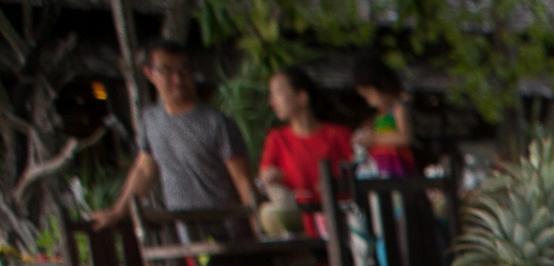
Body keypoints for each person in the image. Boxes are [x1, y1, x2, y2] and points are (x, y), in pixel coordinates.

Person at [92, 41, 256, 234]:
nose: (178, 79)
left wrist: (258, 228)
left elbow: (242, 180)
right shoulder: (150, 120)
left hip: (227, 231)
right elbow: (144, 169)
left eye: (184, 70)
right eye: (167, 71)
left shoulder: (218, 123)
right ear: (150, 74)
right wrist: (118, 211)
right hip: (183, 232)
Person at [258, 66, 353, 208]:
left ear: (302, 97)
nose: (272, 102)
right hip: (297, 222)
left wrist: (337, 184)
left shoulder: (338, 135)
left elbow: (359, 175)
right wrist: (269, 179)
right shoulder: (276, 139)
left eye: (278, 93)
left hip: (339, 219)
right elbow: (264, 177)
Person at [353, 58, 414, 175]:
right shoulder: (379, 113)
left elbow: (405, 137)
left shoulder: (399, 104)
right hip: (379, 166)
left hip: (396, 166)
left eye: (369, 95)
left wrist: (373, 139)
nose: (369, 101)